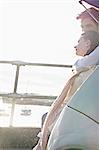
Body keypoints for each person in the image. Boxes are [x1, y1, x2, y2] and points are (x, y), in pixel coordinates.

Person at [33, 7, 99, 150]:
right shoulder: (85, 61)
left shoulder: (90, 61)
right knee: (47, 118)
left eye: (89, 26)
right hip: (76, 111)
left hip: (87, 117)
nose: (85, 31)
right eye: (82, 27)